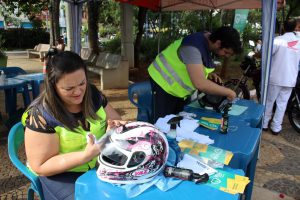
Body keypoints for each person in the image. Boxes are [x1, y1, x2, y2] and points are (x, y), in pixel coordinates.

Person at [22, 51, 125, 200]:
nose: (78, 92)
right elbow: (41, 165)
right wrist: (85, 156)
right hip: (60, 175)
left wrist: (115, 125)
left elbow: (115, 118)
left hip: (99, 162)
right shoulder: (41, 115)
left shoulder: (93, 94)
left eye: (82, 83)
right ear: (53, 86)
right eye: (69, 89)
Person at [148, 26, 242, 122]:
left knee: (180, 121)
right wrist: (228, 92)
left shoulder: (208, 42)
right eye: (226, 52)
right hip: (163, 84)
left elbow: (195, 64)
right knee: (162, 124)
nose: (226, 56)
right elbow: (200, 83)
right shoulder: (192, 47)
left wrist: (207, 74)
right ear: (218, 43)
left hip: (180, 92)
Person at [262, 18, 300, 135]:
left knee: (269, 101)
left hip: (276, 77)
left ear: (284, 28)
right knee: (282, 104)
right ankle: (276, 127)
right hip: (290, 79)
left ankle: (264, 124)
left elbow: (266, 55)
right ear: (295, 28)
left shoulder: (278, 40)